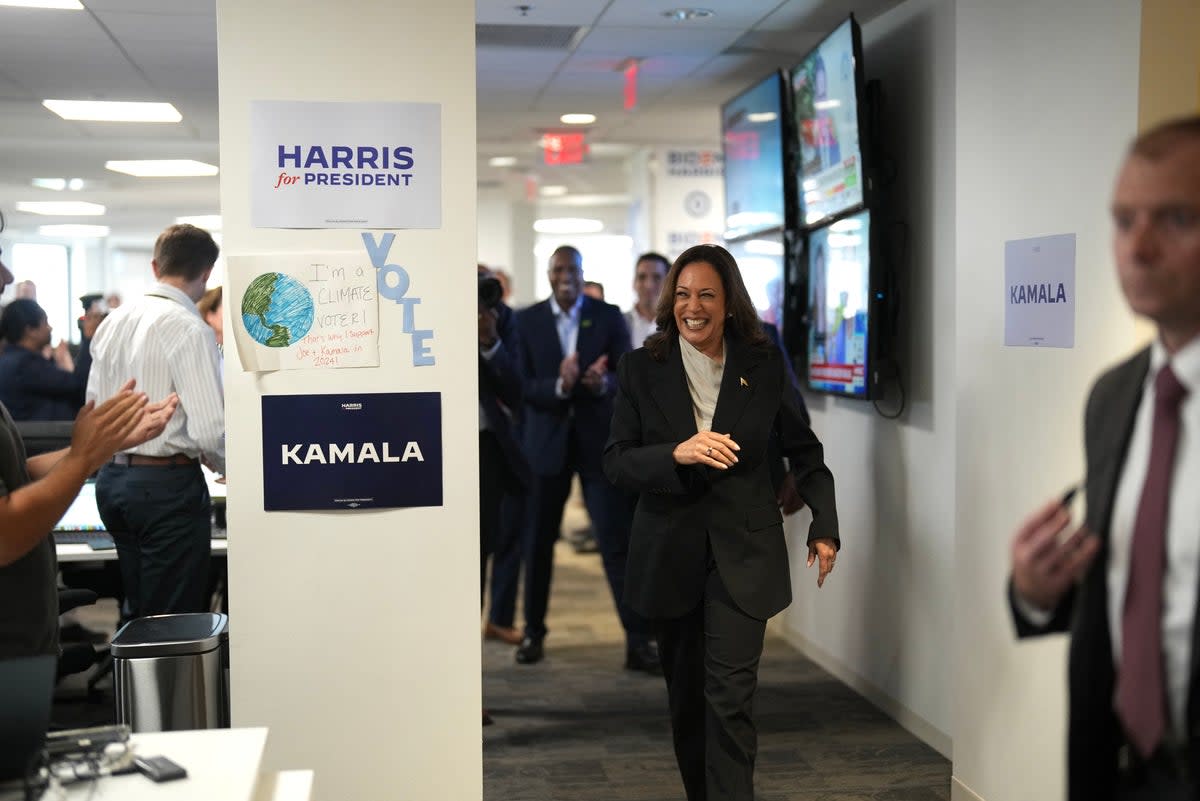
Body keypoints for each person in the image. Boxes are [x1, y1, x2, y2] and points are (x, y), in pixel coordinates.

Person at [1008, 115, 1200, 800]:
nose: (1138, 247)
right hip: (1119, 771)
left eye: (1176, 218)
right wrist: (1037, 592)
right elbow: (1134, 589)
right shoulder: (1116, 396)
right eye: (1124, 221)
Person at [604, 243, 839, 801]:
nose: (693, 307)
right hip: (671, 553)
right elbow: (616, 461)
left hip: (744, 554)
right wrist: (676, 454)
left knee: (730, 698)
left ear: (729, 302)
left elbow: (805, 450)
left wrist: (824, 525)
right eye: (683, 294)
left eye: (707, 294)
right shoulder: (642, 367)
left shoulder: (762, 362)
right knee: (688, 703)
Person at [0, 251, 178, 659]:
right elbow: (5, 534)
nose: (7, 276)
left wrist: (105, 446)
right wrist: (82, 458)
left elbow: (19, 474)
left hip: (25, 642)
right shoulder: (20, 365)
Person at [513, 244, 659, 672]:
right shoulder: (526, 321)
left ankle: (637, 641)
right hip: (545, 448)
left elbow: (620, 375)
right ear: (549, 273)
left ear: (582, 273)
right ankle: (533, 634)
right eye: (560, 270)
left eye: (573, 270)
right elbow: (522, 386)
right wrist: (560, 385)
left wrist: (600, 381)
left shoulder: (607, 315)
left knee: (616, 545)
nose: (567, 277)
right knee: (538, 545)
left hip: (598, 446)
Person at [86, 223, 225, 619]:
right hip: (165, 488)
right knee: (171, 619)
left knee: (139, 608)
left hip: (113, 483)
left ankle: (130, 683)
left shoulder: (112, 321)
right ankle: (160, 685)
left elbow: (92, 407)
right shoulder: (188, 327)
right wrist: (230, 467)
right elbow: (210, 429)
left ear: (154, 266)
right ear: (206, 273)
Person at [477, 264, 529, 647]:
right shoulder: (432, 311)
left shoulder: (504, 319)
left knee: (506, 535)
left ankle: (498, 618)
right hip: (448, 443)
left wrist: (489, 342)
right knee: (472, 549)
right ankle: (465, 633)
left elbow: (517, 388)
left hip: (495, 444)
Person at [0, 298, 101, 420]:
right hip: (50, 437)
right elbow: (80, 386)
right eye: (45, 323)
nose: (50, 328)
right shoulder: (24, 364)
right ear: (30, 330)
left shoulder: (11, 359)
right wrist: (89, 338)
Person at [625, 251, 670, 347]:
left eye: (657, 277)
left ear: (669, 283)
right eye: (642, 277)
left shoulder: (678, 325)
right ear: (634, 282)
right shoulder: (619, 322)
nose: (648, 285)